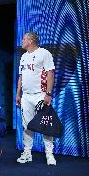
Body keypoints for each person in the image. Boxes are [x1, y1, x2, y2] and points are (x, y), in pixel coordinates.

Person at [16, 31, 56, 165]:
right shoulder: (23, 57)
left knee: (45, 125)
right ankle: (27, 153)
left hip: (41, 94)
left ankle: (49, 154)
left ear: (31, 41)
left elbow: (50, 73)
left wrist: (48, 94)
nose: (22, 41)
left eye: (24, 39)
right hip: (26, 96)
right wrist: (18, 94)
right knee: (26, 125)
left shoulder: (44, 53)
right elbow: (21, 77)